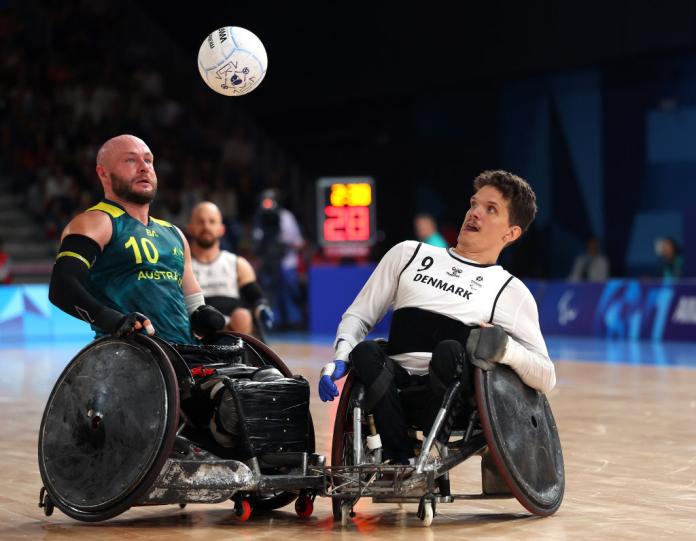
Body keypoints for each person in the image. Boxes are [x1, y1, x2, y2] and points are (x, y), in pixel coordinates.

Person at [318, 170, 556, 465]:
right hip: (392, 387)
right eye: (474, 204)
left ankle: (432, 451)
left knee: (450, 350)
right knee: (365, 351)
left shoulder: (510, 291)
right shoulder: (407, 254)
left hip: (451, 393)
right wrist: (341, 355)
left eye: (490, 209)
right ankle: (398, 458)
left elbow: (546, 375)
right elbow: (359, 314)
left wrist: (505, 350)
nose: (475, 213)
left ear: (511, 233)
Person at [48, 134, 225, 345]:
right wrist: (111, 320)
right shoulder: (96, 221)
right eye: (131, 160)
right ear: (103, 173)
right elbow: (62, 286)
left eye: (148, 160)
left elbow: (193, 304)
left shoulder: (174, 233)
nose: (144, 167)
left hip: (185, 356)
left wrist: (204, 317)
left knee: (263, 375)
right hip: (129, 356)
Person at [188, 201, 274, 335]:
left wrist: (262, 308)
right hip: (194, 330)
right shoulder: (181, 264)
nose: (206, 226)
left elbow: (255, 297)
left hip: (230, 332)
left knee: (242, 316)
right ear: (191, 228)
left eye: (212, 221)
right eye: (200, 221)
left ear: (222, 229)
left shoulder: (237, 263)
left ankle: (237, 355)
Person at [253, 189, 305, 329]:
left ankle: (294, 322)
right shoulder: (259, 218)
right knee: (269, 293)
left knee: (288, 292)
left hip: (287, 262)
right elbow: (257, 240)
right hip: (267, 263)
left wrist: (282, 244)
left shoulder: (286, 216)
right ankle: (273, 322)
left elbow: (298, 242)